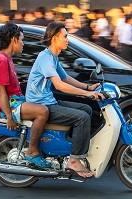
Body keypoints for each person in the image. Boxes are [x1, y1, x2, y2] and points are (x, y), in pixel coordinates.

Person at [26, 22, 105, 178]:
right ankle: (74, 160)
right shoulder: (45, 58)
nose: (68, 39)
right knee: (82, 118)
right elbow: (59, 85)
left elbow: (66, 78)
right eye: (65, 36)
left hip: (48, 101)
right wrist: (86, 94)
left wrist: (88, 88)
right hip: (41, 104)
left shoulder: (52, 57)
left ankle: (73, 147)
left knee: (86, 109)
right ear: (55, 38)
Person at [0, 22, 50, 168]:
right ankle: (32, 151)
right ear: (13, 40)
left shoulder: (6, 59)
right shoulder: (1, 60)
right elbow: (0, 91)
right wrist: (9, 116)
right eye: (21, 40)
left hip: (14, 102)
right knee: (42, 111)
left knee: (45, 105)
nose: (23, 44)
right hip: (5, 106)